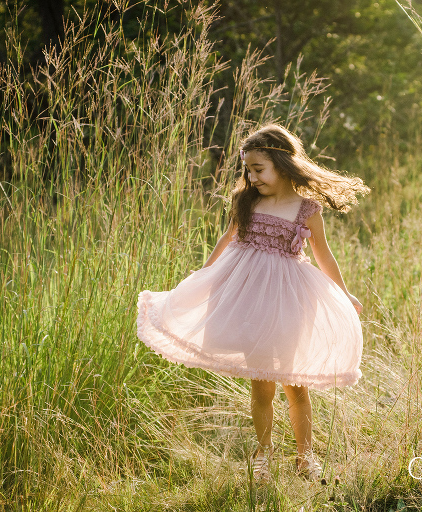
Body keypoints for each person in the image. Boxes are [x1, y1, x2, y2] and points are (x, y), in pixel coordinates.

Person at [137, 123, 369, 485]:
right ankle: (263, 456)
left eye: (259, 169)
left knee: (296, 385)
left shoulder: (306, 209)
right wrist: (205, 275)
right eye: (247, 169)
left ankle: (305, 457)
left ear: (282, 163)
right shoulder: (248, 200)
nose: (251, 176)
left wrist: (344, 292)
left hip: (290, 300)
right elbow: (228, 237)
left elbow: (325, 255)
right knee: (262, 386)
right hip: (250, 299)